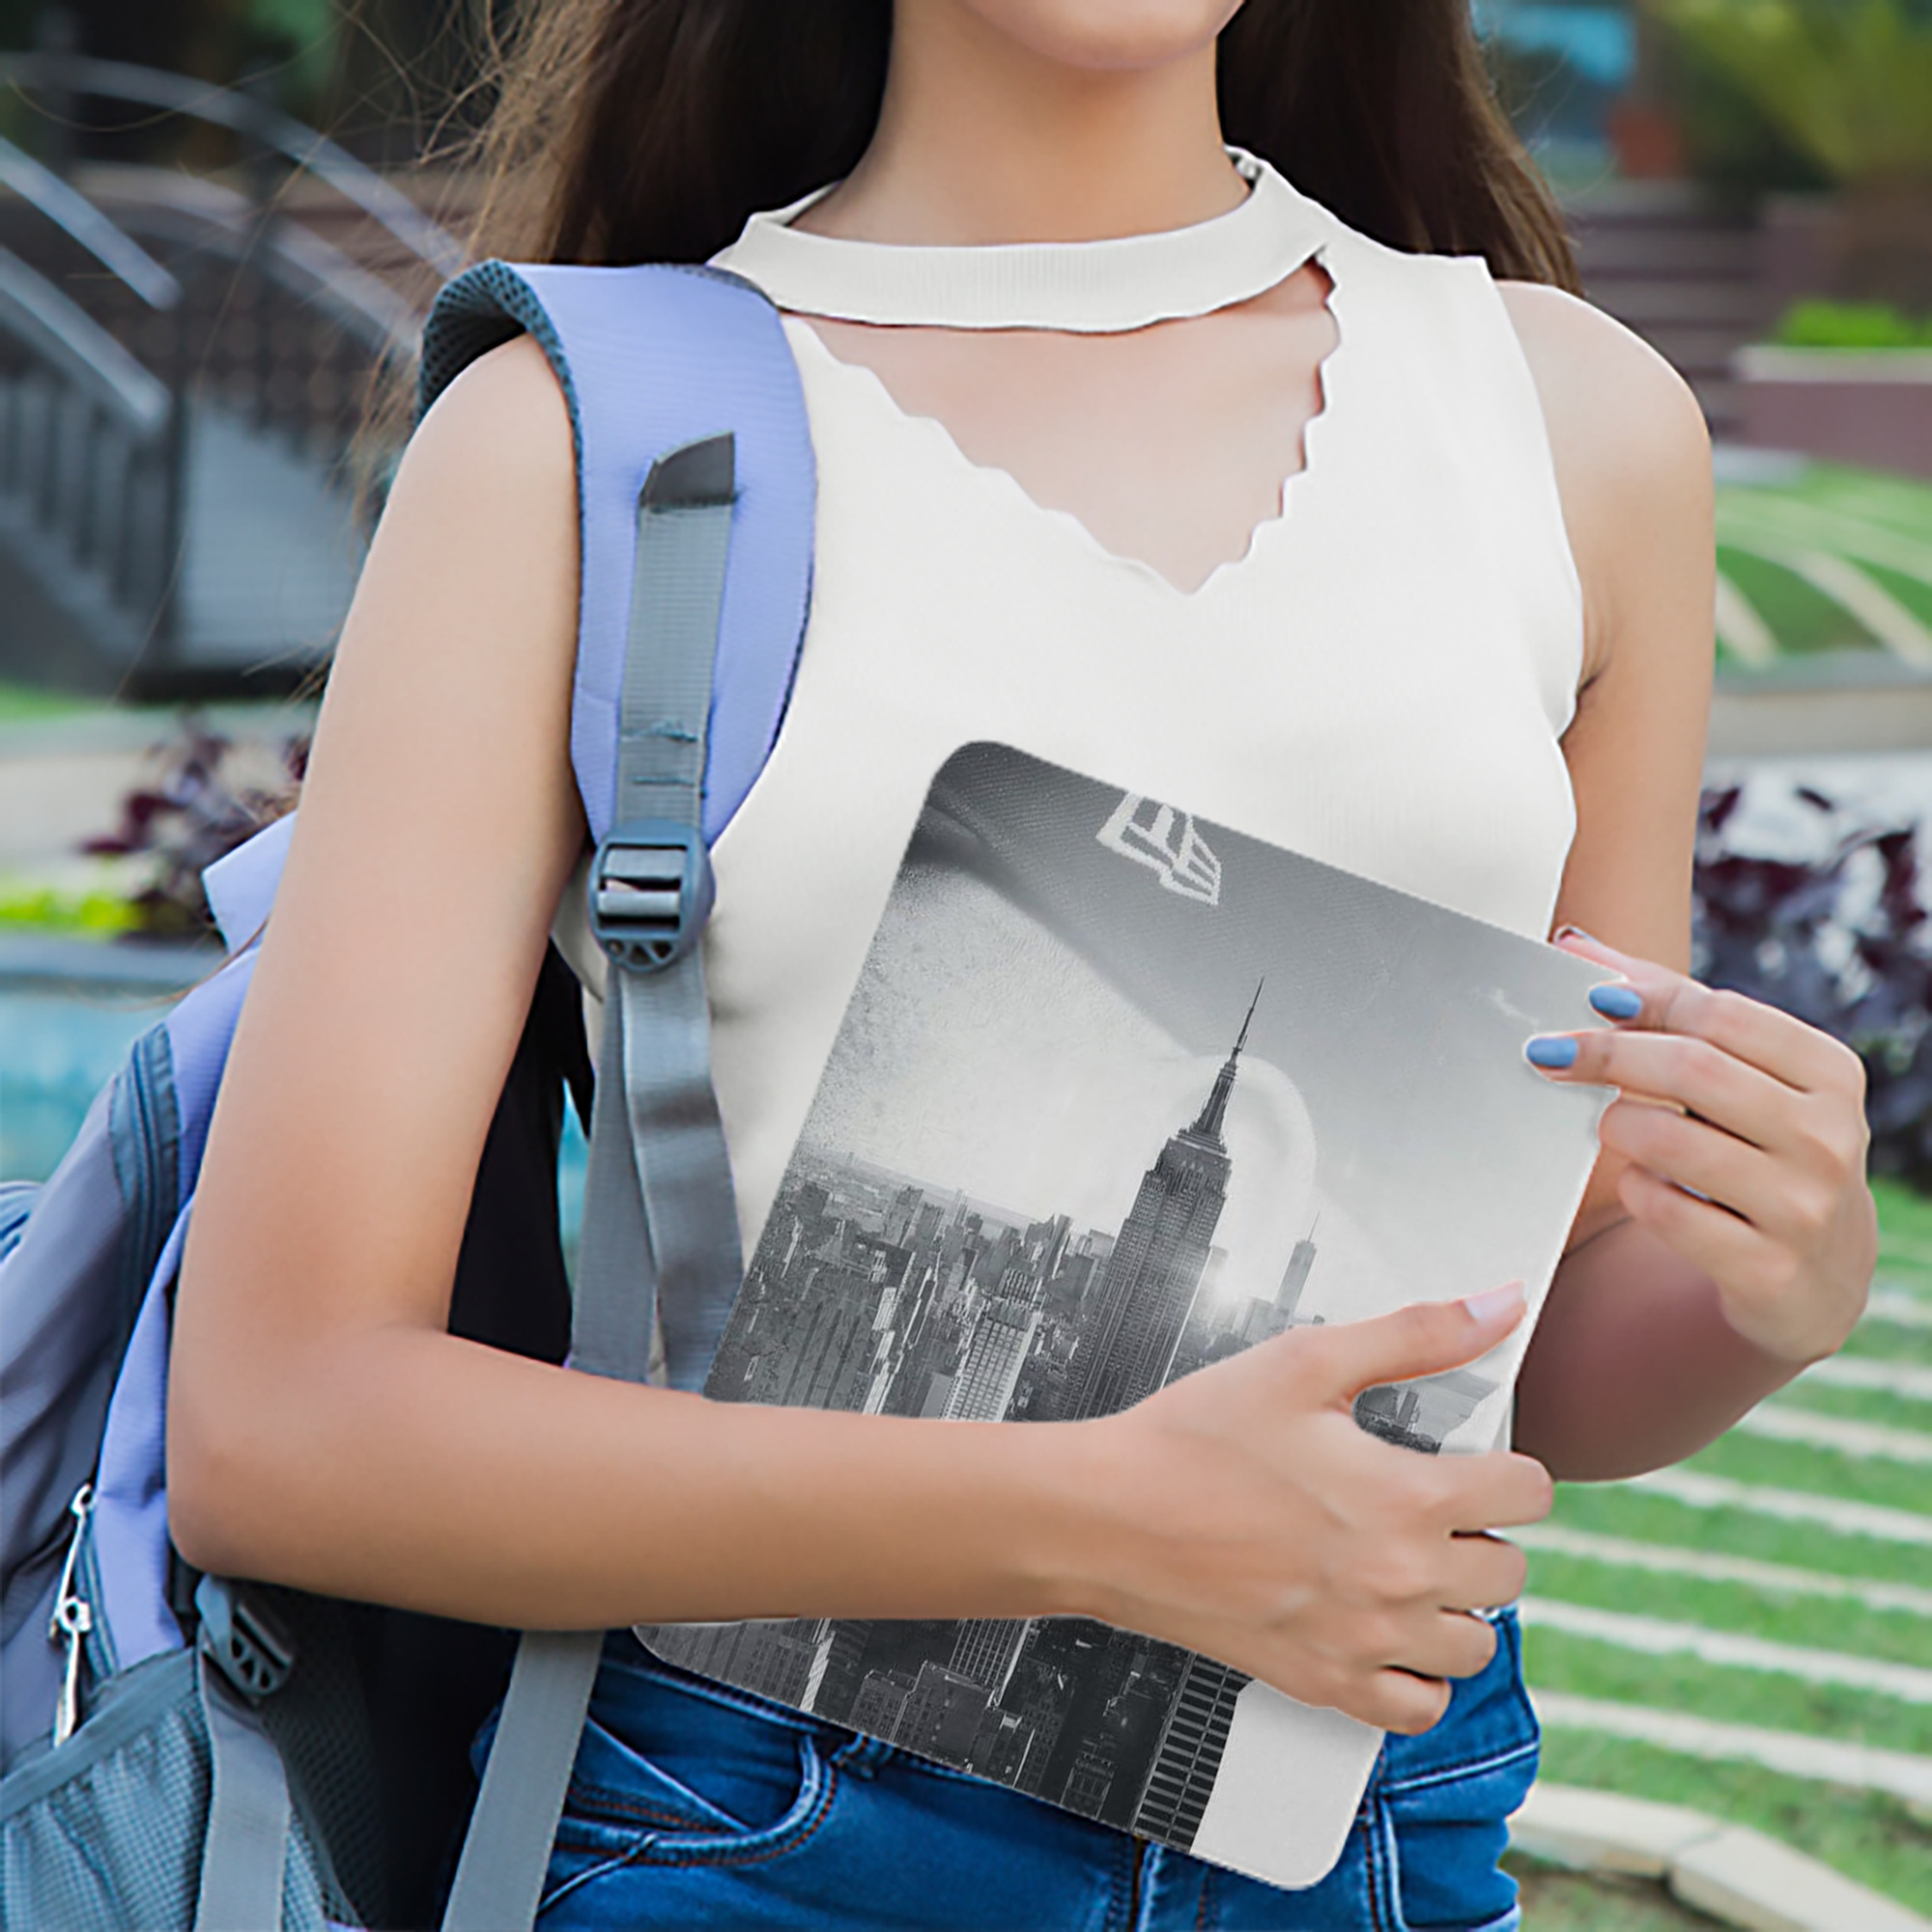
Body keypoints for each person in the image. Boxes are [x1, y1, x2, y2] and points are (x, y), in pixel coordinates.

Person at [167, 2, 1878, 1926]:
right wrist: (1103, 1525)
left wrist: (1764, 1298)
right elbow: (281, 1423)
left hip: (1359, 1826)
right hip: (764, 1832)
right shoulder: (589, 446)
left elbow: (1521, 1377)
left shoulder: (1568, 427)